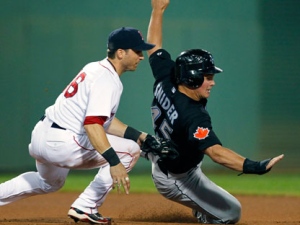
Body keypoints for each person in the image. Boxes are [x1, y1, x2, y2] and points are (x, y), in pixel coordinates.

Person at [145, 0, 284, 224]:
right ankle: (204, 214)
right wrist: (255, 167)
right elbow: (216, 153)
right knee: (231, 213)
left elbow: (153, 47)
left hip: (163, 149)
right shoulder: (192, 115)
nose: (212, 83)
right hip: (177, 178)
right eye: (207, 77)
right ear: (192, 78)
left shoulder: (168, 76)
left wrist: (157, 10)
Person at [0, 27, 155, 224]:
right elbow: (92, 125)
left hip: (42, 134)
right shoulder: (108, 80)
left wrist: (139, 135)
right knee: (130, 151)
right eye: (137, 51)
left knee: (49, 182)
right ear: (121, 52)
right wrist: (114, 163)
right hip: (63, 142)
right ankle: (86, 206)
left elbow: (101, 120)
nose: (141, 56)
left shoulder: (94, 67)